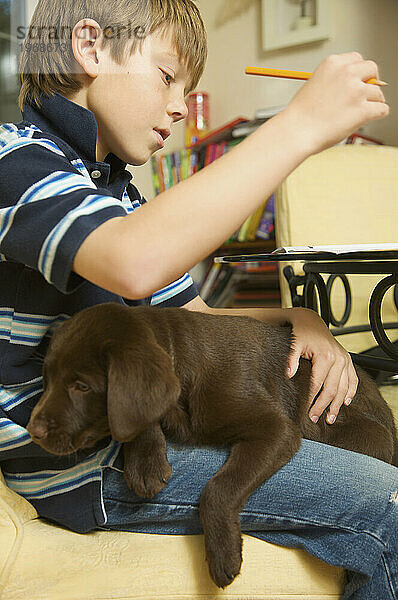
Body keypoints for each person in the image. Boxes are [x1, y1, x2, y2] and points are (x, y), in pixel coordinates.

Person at [0, 1, 396, 598]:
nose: (182, 106)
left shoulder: (116, 194)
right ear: (89, 48)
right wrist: (297, 127)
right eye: (167, 76)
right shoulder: (16, 160)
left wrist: (298, 317)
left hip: (123, 439)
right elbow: (132, 262)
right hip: (78, 465)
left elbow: (196, 320)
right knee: (388, 507)